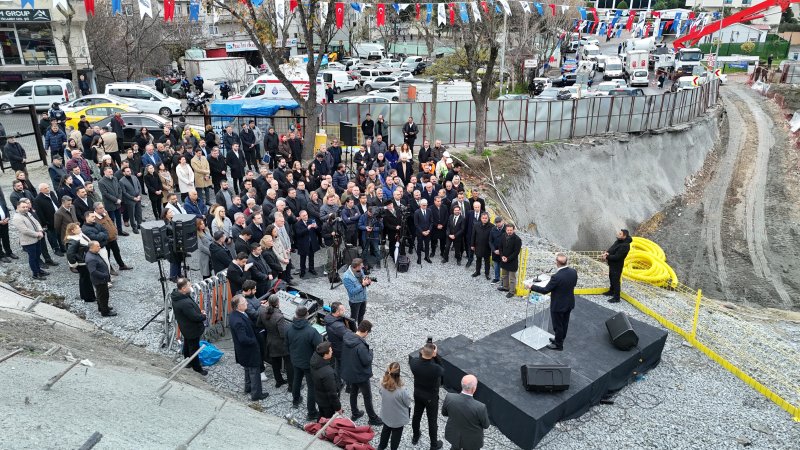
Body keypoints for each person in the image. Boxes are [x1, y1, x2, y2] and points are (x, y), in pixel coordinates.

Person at [529, 253, 578, 351]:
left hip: (558, 305)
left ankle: (559, 345)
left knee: (558, 325)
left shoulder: (556, 277)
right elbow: (573, 284)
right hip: (569, 303)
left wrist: (532, 286)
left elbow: (545, 290)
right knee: (564, 323)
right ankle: (559, 339)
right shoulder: (573, 272)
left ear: (557, 263)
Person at [342, 320, 382, 426]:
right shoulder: (360, 345)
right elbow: (367, 360)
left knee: (353, 392)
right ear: (366, 331)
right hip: (360, 375)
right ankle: (372, 418)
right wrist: (371, 352)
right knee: (367, 396)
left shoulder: (347, 336)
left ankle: (355, 413)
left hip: (350, 372)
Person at [230, 295, 269, 401]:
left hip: (243, 352)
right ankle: (256, 394)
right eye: (244, 302)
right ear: (239, 306)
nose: (247, 303)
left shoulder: (235, 315)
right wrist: (254, 341)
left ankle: (248, 388)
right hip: (249, 351)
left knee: (247, 369)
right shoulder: (238, 321)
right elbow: (243, 339)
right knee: (254, 371)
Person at [285, 306, 322, 420]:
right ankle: (311, 412)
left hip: (295, 360)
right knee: (311, 387)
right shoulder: (311, 331)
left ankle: (295, 400)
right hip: (309, 363)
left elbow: (287, 344)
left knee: (297, 379)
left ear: (296, 314)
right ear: (307, 315)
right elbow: (319, 348)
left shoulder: (289, 328)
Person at [409, 342, 445, 449]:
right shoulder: (435, 369)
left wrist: (425, 353)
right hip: (431, 397)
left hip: (418, 394)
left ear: (421, 352)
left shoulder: (413, 363)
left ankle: (415, 437)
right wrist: (436, 356)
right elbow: (442, 369)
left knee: (416, 416)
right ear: (433, 354)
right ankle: (433, 445)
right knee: (432, 421)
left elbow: (421, 359)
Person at [441, 375, 490, 450]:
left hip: (454, 436)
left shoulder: (449, 397)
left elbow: (444, 413)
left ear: (461, 385)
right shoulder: (480, 407)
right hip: (472, 441)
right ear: (474, 388)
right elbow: (486, 425)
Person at [171, 278, 208, 375]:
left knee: (187, 344)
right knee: (194, 348)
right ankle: (197, 368)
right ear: (183, 288)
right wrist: (203, 316)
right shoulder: (184, 302)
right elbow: (194, 317)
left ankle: (187, 361)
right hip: (192, 329)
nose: (191, 287)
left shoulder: (177, 296)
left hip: (185, 327)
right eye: (189, 286)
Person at [258, 295, 293, 389]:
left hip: (270, 341)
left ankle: (279, 381)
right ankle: (291, 385)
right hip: (281, 344)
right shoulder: (279, 317)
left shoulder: (262, 312)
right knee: (289, 363)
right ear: (277, 303)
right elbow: (283, 334)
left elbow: (259, 324)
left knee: (275, 363)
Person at [378, 362, 412, 450]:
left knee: (385, 430)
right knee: (396, 435)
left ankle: (381, 447)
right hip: (398, 419)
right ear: (398, 374)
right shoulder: (402, 390)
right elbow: (407, 403)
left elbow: (381, 393)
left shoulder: (382, 383)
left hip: (386, 414)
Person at [12, 200, 49, 279]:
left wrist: (40, 230)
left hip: (36, 239)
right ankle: (35, 274)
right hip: (28, 241)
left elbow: (36, 222)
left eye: (26, 207)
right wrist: (37, 234)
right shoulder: (17, 218)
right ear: (18, 207)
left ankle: (39, 270)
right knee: (33, 257)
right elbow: (24, 230)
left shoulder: (28, 213)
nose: (26, 208)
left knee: (37, 255)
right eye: (23, 207)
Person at [85, 240, 117, 316]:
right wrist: (104, 275)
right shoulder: (91, 259)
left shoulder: (94, 253)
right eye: (97, 246)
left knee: (100, 295)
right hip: (100, 280)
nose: (99, 247)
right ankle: (105, 312)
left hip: (101, 279)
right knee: (103, 296)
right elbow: (93, 271)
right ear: (91, 248)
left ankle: (102, 307)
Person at [310, 342, 341, 420]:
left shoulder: (314, 360)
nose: (332, 352)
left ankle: (318, 427)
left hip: (319, 397)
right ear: (325, 355)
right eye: (330, 351)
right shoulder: (327, 373)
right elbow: (332, 393)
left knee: (321, 415)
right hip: (328, 403)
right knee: (328, 421)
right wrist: (338, 408)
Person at [602, 229, 632, 303]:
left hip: (617, 265)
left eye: (620, 234)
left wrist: (607, 257)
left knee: (616, 280)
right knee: (611, 277)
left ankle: (616, 298)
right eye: (619, 233)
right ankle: (611, 291)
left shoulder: (625, 246)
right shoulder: (618, 241)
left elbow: (617, 257)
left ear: (624, 236)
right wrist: (607, 253)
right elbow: (611, 248)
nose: (618, 234)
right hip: (612, 264)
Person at [342, 258, 371, 326]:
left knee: (361, 315)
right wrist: (362, 285)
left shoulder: (360, 270)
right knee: (353, 318)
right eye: (361, 265)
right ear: (357, 266)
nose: (363, 266)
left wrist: (367, 282)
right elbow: (352, 291)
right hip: (355, 301)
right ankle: (352, 332)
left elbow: (363, 277)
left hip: (363, 298)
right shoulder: (346, 277)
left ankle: (360, 329)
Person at [497, 223, 522, 298]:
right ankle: (505, 287)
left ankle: (511, 291)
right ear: (506, 230)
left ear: (513, 230)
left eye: (511, 230)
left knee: (512, 278)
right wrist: (502, 256)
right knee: (504, 275)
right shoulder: (503, 236)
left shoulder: (517, 239)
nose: (509, 231)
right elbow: (500, 247)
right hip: (504, 259)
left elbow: (516, 252)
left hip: (512, 262)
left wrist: (507, 258)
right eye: (508, 230)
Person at [294, 210, 319, 277]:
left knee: (311, 257)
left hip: (311, 242)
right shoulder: (298, 224)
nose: (306, 216)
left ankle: (311, 269)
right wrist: (307, 228)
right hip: (303, 244)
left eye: (306, 215)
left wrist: (316, 227)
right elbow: (298, 233)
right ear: (300, 217)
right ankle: (302, 271)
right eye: (304, 215)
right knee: (303, 258)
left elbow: (318, 231)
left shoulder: (311, 221)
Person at [119, 166, 143, 234]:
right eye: (127, 171)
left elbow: (139, 186)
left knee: (139, 212)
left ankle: (139, 224)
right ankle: (134, 227)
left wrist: (139, 195)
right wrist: (133, 198)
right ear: (124, 173)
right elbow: (124, 192)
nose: (129, 172)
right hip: (130, 200)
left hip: (138, 198)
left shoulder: (134, 177)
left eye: (129, 171)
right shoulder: (121, 181)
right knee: (131, 214)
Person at [470, 212, 492, 279]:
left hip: (487, 246)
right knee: (478, 259)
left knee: (487, 261)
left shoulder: (492, 226)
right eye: (483, 218)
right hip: (478, 245)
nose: (484, 219)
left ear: (488, 218)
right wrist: (472, 245)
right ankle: (477, 272)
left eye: (486, 218)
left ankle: (487, 273)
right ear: (481, 218)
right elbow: (473, 235)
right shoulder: (476, 225)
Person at [414, 199, 433, 265]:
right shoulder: (417, 212)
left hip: (427, 232)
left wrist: (429, 230)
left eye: (426, 205)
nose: (425, 206)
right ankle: (419, 258)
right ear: (420, 205)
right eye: (423, 205)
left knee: (427, 245)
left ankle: (426, 257)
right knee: (419, 245)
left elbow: (431, 222)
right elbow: (416, 224)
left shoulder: (429, 211)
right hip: (420, 232)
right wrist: (422, 232)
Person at [489, 217, 504, 284]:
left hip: (503, 252)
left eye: (499, 222)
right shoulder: (493, 229)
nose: (498, 224)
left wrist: (500, 251)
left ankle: (504, 281)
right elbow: (490, 241)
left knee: (504, 266)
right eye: (497, 223)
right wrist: (494, 250)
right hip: (495, 251)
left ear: (502, 221)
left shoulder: (506, 229)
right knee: (496, 265)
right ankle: (496, 278)